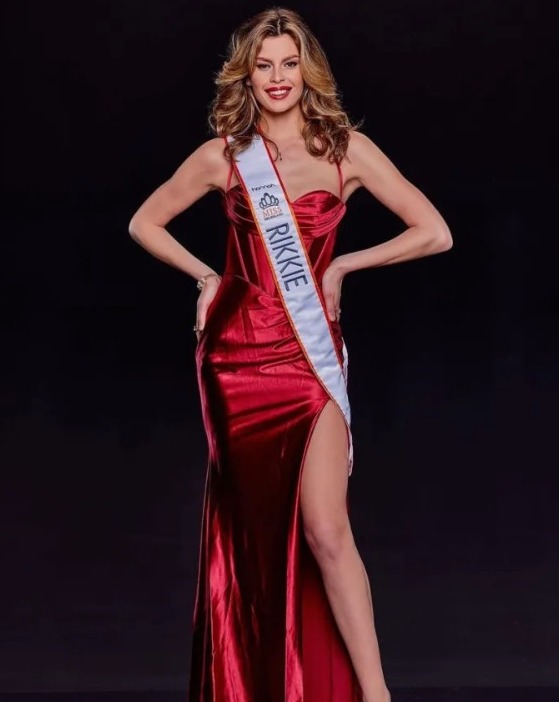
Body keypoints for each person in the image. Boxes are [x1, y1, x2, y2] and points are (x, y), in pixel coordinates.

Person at [129, 7, 452, 702]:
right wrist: (206, 278)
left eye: (288, 64)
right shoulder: (223, 155)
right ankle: (261, 684)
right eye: (263, 65)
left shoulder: (346, 150)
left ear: (308, 71)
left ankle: (375, 693)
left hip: (308, 356)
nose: (277, 78)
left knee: (326, 530)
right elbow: (144, 221)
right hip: (235, 359)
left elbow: (434, 231)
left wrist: (346, 266)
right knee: (252, 533)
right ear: (245, 75)